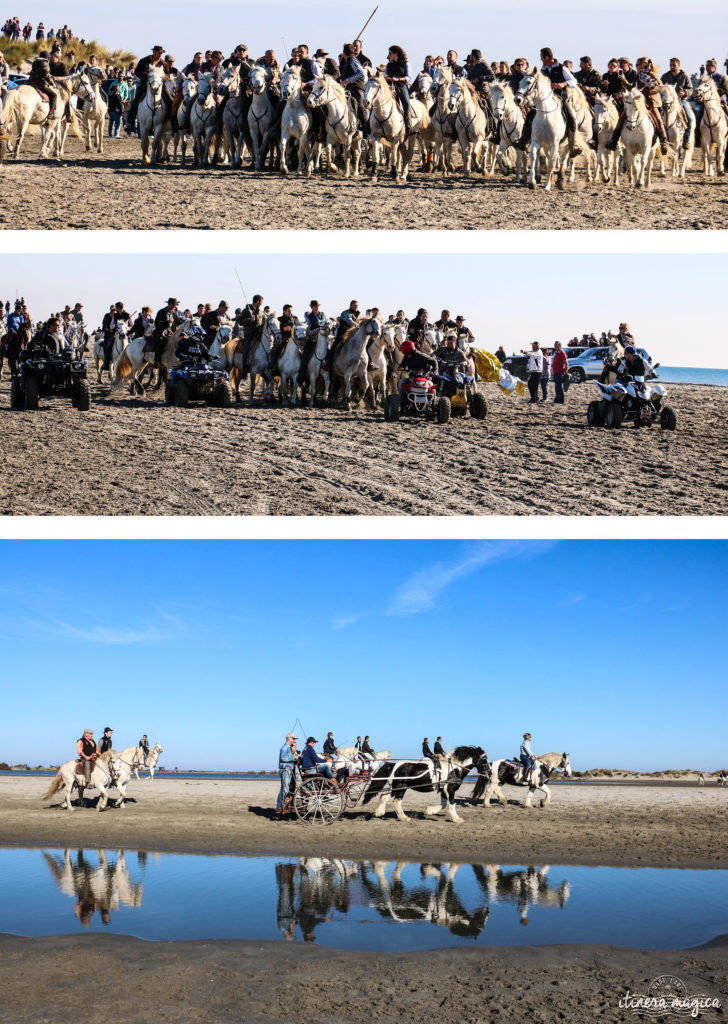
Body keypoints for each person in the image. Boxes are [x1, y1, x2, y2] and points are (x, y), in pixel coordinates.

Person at [125, 45, 165, 134]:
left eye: (161, 53)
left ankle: (171, 122)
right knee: (136, 100)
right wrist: (147, 76)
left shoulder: (163, 63)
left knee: (169, 99)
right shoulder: (144, 61)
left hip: (160, 85)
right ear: (154, 52)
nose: (160, 55)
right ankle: (130, 123)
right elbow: (137, 71)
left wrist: (164, 77)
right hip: (145, 84)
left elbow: (167, 74)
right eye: (158, 53)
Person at [661, 57, 695, 144]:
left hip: (680, 100)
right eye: (671, 65)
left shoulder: (684, 76)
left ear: (679, 65)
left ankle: (686, 138)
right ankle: (659, 137)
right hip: (667, 100)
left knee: (690, 118)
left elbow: (690, 89)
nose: (672, 67)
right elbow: (660, 87)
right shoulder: (665, 76)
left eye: (674, 65)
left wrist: (684, 93)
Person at [384, 45, 413, 134]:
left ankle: (409, 126)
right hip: (389, 87)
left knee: (406, 103)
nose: (388, 56)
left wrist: (398, 79)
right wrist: (387, 78)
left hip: (401, 86)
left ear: (395, 53)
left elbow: (409, 77)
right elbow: (385, 75)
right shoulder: (388, 65)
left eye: (390, 53)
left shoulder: (405, 63)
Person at [340, 43, 368, 132]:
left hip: (357, 88)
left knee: (360, 107)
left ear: (344, 52)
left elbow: (361, 73)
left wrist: (347, 80)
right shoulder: (348, 60)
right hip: (349, 89)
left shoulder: (352, 60)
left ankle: (367, 131)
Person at [239, 294, 266, 379]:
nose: (262, 303)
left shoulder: (261, 312)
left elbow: (265, 321)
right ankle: (244, 371)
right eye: (261, 302)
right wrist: (249, 320)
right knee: (246, 351)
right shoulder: (247, 310)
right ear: (257, 301)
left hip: (260, 335)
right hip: (250, 335)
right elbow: (240, 321)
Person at [27, 52, 59, 118]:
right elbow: (47, 76)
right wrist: (53, 84)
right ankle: (51, 112)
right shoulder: (45, 63)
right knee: (54, 95)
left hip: (31, 81)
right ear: (47, 57)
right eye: (49, 57)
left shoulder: (35, 62)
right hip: (41, 83)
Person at [277, 733, 298, 816]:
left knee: (285, 788)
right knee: (284, 789)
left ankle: (282, 806)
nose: (294, 740)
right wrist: (293, 758)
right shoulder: (285, 747)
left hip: (288, 769)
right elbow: (283, 758)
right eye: (293, 739)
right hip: (285, 769)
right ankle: (280, 807)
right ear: (289, 738)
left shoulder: (288, 748)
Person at [151, 297, 177, 363]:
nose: (174, 306)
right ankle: (157, 361)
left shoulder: (174, 314)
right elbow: (157, 323)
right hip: (160, 331)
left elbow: (178, 322)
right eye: (173, 304)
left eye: (175, 305)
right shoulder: (161, 312)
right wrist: (168, 322)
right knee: (160, 341)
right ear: (169, 304)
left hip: (171, 333)